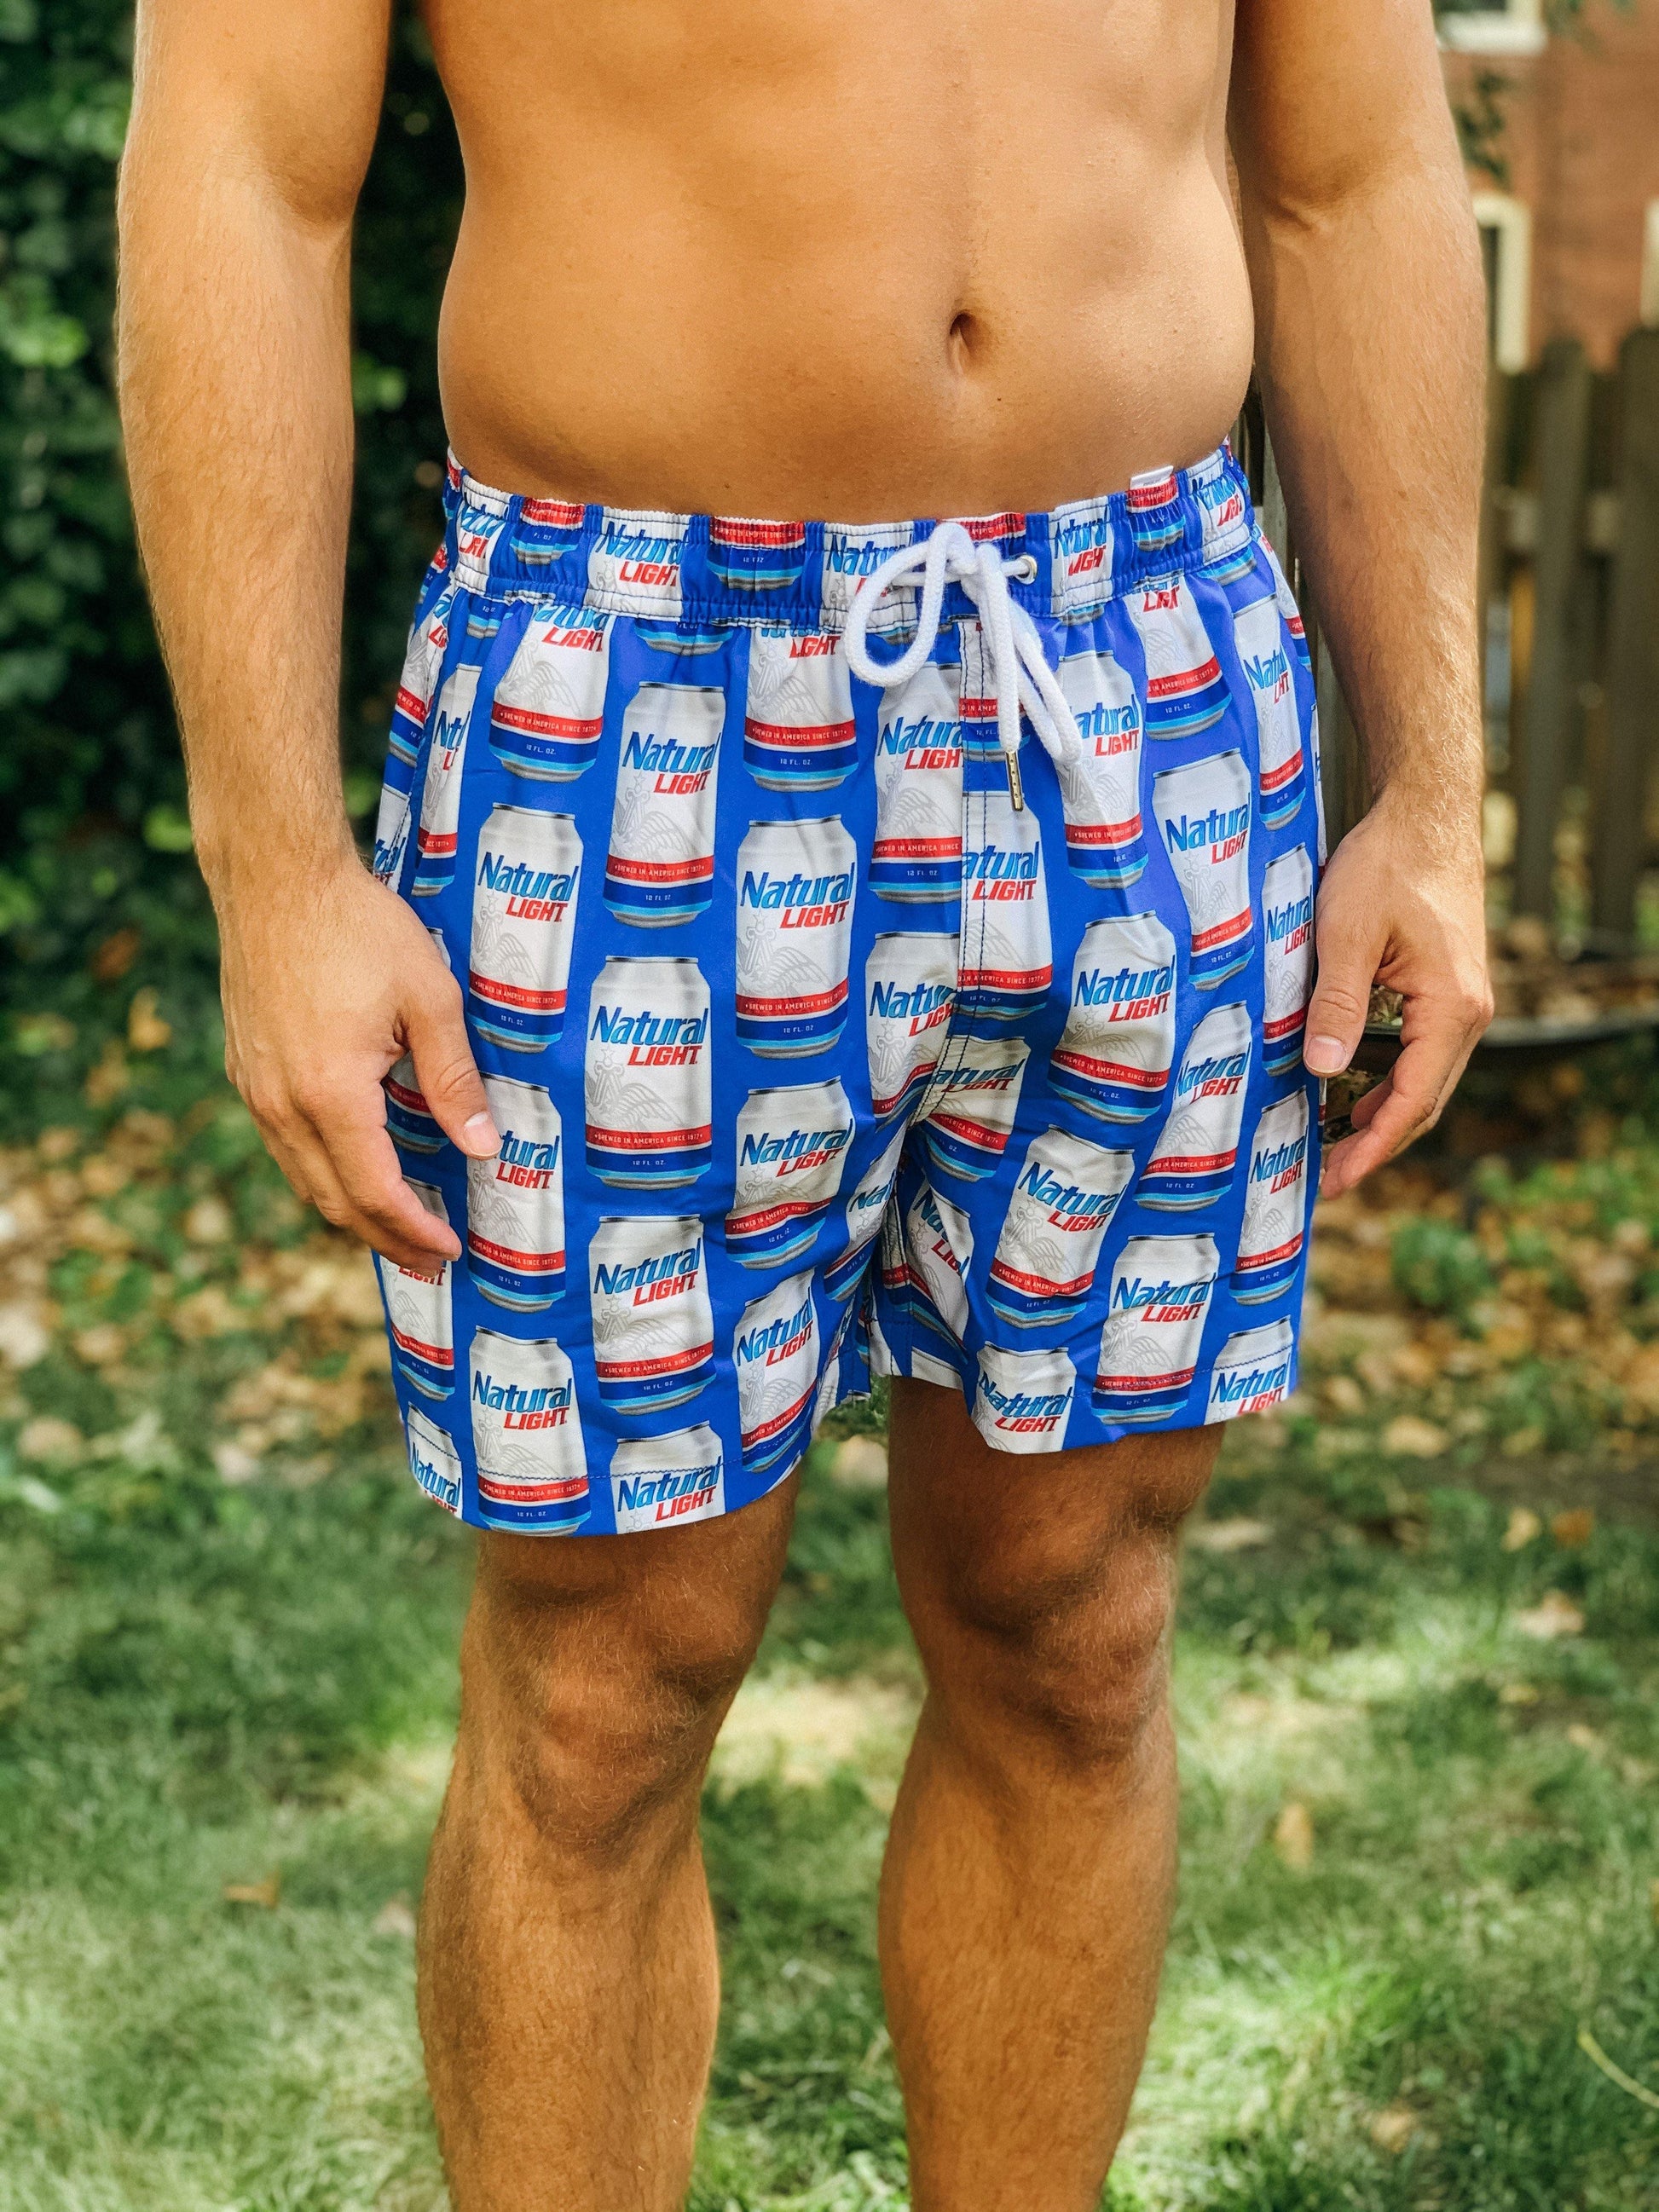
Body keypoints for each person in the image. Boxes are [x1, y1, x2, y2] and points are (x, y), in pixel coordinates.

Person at [114, 2, 1493, 2204]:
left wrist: (1432, 779)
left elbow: (1352, 164)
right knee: (601, 1688)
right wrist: (270, 861)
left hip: (1141, 668)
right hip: (627, 683)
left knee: (1075, 1620)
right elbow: (241, 168)